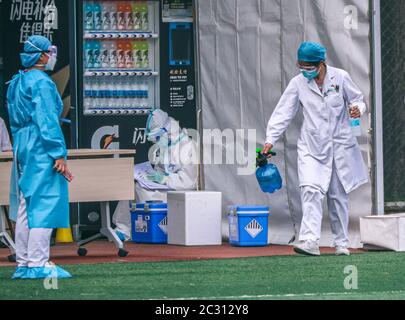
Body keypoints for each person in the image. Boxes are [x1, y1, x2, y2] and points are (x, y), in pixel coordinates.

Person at [263, 42, 368, 257]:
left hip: (339, 146)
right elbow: (283, 112)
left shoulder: (340, 77)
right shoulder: (298, 83)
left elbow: (357, 98)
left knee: (337, 196)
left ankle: (341, 242)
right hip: (312, 147)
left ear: (321, 64)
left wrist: (359, 109)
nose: (304, 70)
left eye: (308, 66)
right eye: (301, 65)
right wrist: (270, 140)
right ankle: (310, 240)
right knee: (310, 189)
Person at [6, 35, 71, 279]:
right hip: (41, 144)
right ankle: (38, 262)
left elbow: (15, 120)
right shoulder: (42, 83)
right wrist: (58, 153)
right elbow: (46, 120)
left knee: (26, 204)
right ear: (42, 55)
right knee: (45, 203)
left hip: (23, 144)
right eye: (50, 51)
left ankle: (24, 262)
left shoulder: (16, 82)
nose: (51, 55)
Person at [112, 109, 198, 241]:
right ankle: (123, 229)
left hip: (177, 191)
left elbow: (189, 182)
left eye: (157, 137)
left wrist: (164, 179)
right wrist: (151, 175)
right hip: (165, 186)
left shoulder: (188, 147)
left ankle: (143, 229)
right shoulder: (166, 146)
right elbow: (161, 168)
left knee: (140, 189)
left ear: (167, 130)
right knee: (131, 185)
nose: (156, 141)